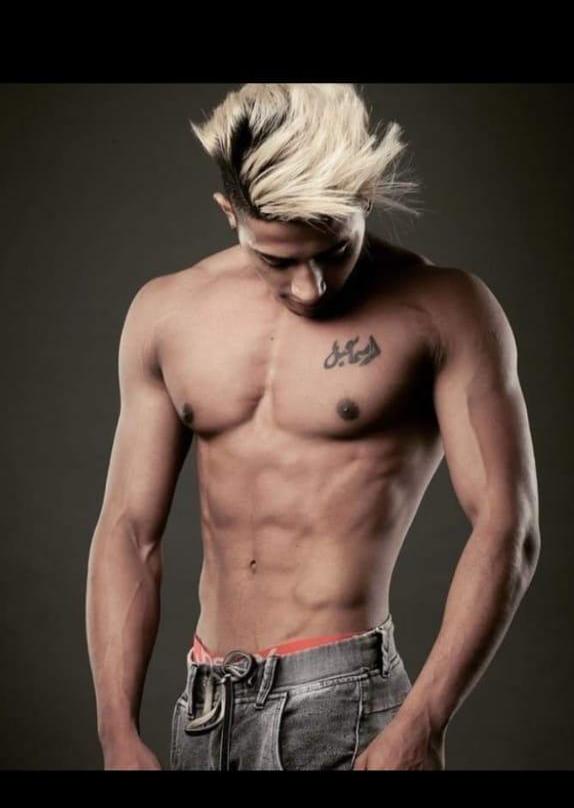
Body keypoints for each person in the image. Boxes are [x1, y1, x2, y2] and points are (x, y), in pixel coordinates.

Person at [85, 83, 541, 771]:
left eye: (333, 250)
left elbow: (510, 524)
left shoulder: (446, 311)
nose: (311, 288)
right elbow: (127, 530)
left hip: (345, 705)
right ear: (230, 214)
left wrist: (423, 722)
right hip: (206, 709)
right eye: (278, 260)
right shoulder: (167, 315)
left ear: (364, 204)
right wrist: (116, 731)